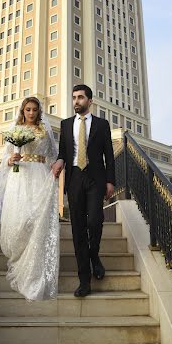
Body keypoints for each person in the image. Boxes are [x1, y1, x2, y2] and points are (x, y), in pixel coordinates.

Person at [52, 85, 115, 298]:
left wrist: (110, 181)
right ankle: (84, 280)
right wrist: (58, 163)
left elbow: (109, 155)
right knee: (78, 229)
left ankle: (94, 255)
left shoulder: (102, 124)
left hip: (96, 178)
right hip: (74, 179)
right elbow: (63, 152)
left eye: (80, 97)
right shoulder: (65, 124)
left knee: (95, 221)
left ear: (90, 101)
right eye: (74, 98)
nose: (76, 101)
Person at [0, 97, 59, 301]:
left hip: (40, 175)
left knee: (37, 219)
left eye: (34, 109)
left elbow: (53, 155)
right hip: (20, 176)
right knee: (21, 218)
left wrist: (54, 172)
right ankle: (20, 258)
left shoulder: (44, 130)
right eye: (28, 109)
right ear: (23, 110)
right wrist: (9, 160)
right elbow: (5, 156)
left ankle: (36, 268)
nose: (31, 113)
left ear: (39, 111)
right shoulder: (15, 128)